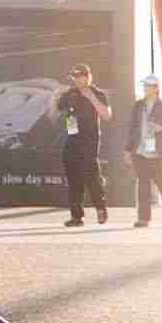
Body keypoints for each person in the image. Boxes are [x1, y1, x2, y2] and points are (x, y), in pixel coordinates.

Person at [56, 70, 111, 229]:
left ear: (88, 77)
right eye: (74, 77)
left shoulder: (97, 93)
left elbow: (107, 115)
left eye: (79, 76)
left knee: (91, 175)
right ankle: (76, 216)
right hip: (73, 138)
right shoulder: (70, 93)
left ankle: (100, 208)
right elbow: (58, 109)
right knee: (73, 179)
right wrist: (58, 98)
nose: (76, 80)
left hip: (90, 140)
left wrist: (91, 97)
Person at [125, 77, 162, 227]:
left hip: (159, 153)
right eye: (144, 86)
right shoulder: (138, 105)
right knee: (143, 185)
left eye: (148, 86)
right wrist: (128, 150)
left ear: (156, 88)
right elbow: (132, 128)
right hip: (140, 152)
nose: (145, 89)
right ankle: (143, 219)